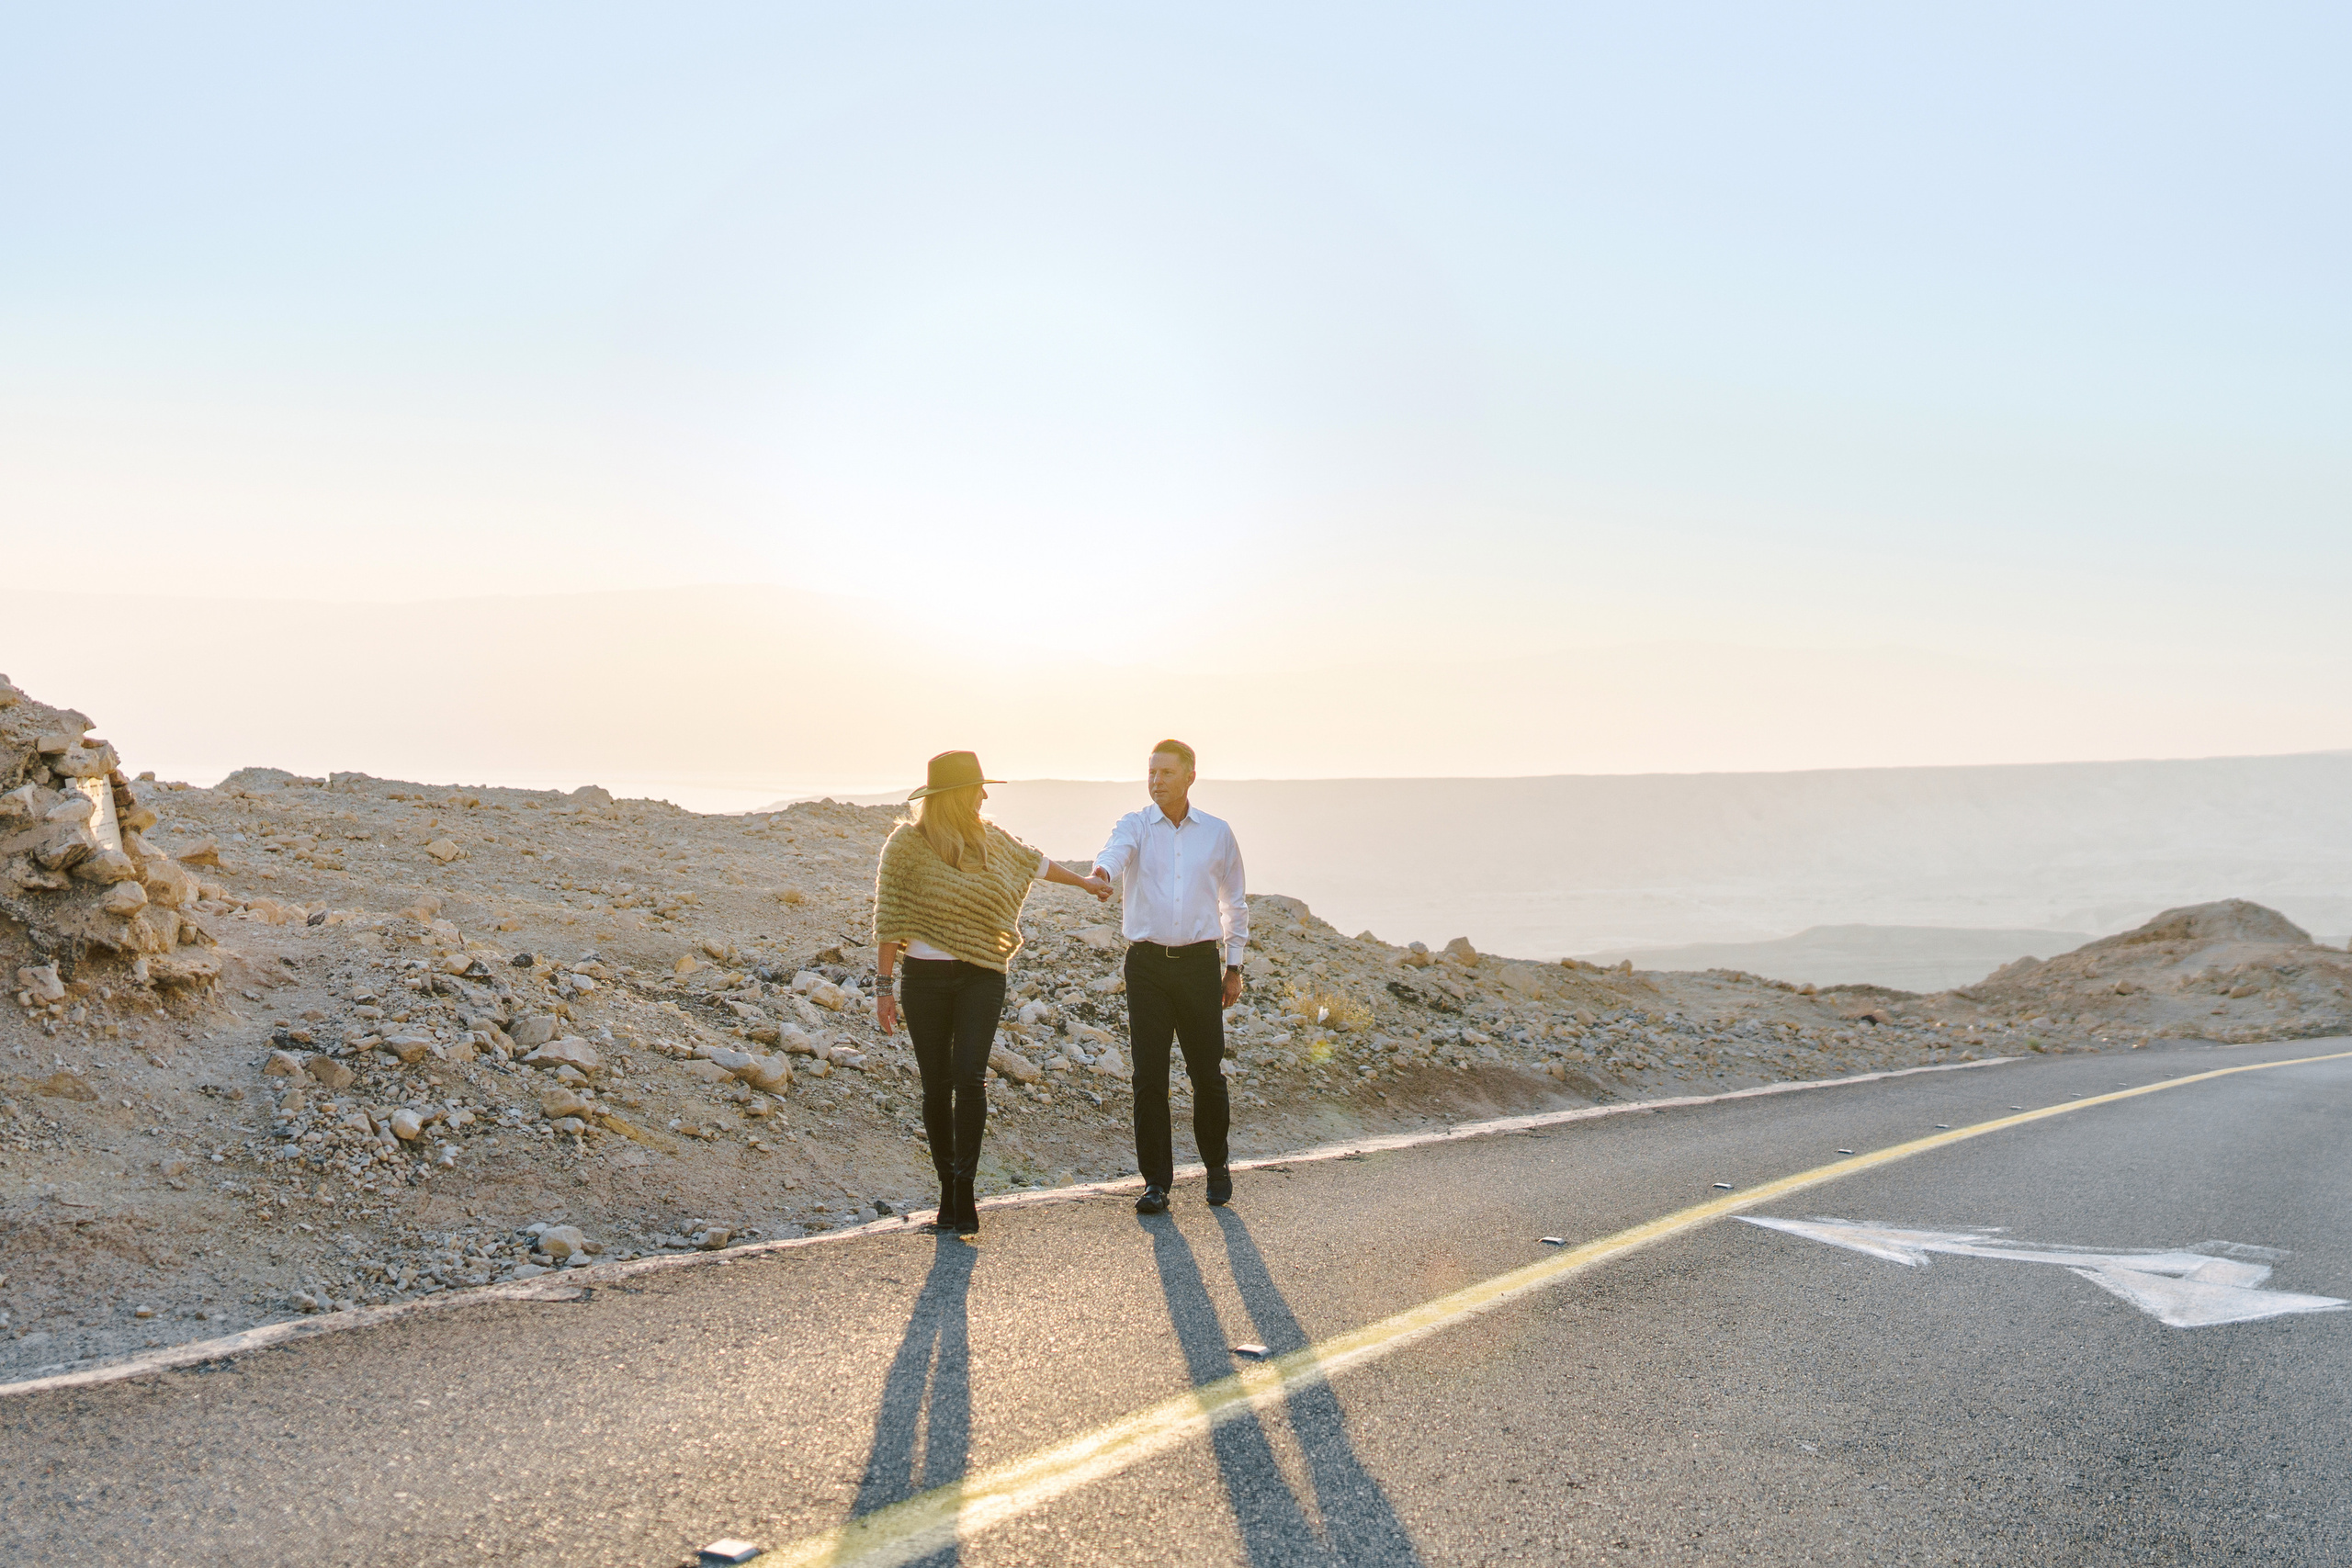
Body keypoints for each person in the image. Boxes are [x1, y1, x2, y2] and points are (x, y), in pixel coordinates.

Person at [872, 750, 1108, 1235]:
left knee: (968, 1076)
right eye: (978, 787)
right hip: (923, 980)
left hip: (981, 975)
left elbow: (1036, 863)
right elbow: (889, 921)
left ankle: (965, 1190)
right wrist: (883, 988)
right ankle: (945, 1195)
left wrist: (1085, 884)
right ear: (958, 795)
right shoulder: (905, 846)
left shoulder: (991, 841)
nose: (984, 794)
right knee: (936, 1085)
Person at [1090, 739, 1249, 1214]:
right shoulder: (1135, 824)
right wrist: (1103, 872)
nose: (1156, 780)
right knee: (1149, 1076)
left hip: (1201, 964)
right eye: (1151, 772)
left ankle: (1217, 1170)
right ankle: (1156, 1182)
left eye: (1165, 773)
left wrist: (1233, 966)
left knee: (1207, 1073)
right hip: (1147, 967)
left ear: (1189, 777)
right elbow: (1115, 852)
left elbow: (1233, 902)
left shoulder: (1217, 833)